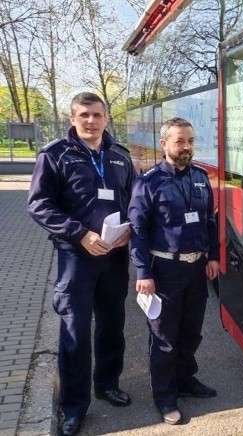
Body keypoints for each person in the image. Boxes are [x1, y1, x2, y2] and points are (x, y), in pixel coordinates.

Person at [27, 92, 136, 436]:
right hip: (77, 257)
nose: (91, 121)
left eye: (97, 115)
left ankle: (107, 384)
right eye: (84, 115)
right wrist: (80, 234)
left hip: (114, 256)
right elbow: (39, 205)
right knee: (75, 331)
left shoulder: (120, 156)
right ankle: (73, 407)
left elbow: (134, 201)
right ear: (72, 118)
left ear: (106, 118)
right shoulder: (55, 155)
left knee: (112, 324)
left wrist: (130, 230)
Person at [128, 117, 220, 425]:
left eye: (191, 141)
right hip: (164, 270)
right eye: (180, 141)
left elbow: (210, 220)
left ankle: (185, 380)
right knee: (164, 338)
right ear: (164, 143)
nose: (187, 147)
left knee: (191, 331)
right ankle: (165, 396)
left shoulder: (200, 177)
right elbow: (138, 231)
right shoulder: (149, 181)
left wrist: (213, 257)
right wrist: (143, 273)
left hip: (196, 268)